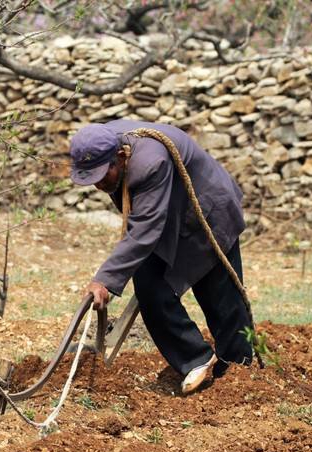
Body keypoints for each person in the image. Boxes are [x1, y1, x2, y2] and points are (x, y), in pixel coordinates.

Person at [69, 120, 253, 394]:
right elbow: (145, 223)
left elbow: (144, 230)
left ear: (120, 157)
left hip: (208, 212)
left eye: (102, 176)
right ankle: (196, 359)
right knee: (149, 287)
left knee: (220, 297)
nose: (98, 185)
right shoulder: (99, 144)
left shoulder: (150, 163)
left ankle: (239, 371)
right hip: (167, 217)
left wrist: (104, 279)